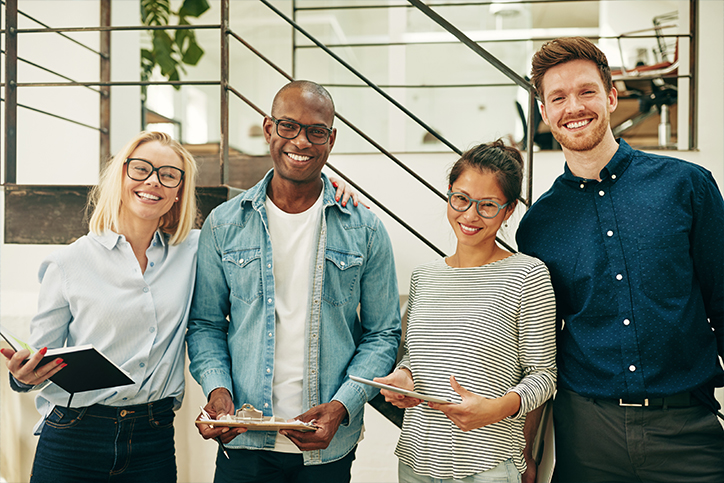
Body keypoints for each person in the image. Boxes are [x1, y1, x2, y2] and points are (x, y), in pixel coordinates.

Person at [516, 37, 724, 482]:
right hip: (587, 433)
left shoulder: (687, 186)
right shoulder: (538, 225)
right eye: (558, 97)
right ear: (545, 112)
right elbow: (538, 348)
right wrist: (527, 448)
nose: (574, 106)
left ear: (611, 96)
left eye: (586, 91)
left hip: (690, 429)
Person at [186, 79, 401, 483]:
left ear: (331, 139)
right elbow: (205, 325)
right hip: (244, 439)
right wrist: (218, 394)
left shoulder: (365, 230)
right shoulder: (225, 224)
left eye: (316, 131)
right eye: (288, 127)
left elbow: (383, 335)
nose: (301, 141)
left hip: (327, 445)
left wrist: (343, 406)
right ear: (269, 129)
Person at [0, 131, 199, 483]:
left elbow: (260, 217)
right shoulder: (68, 262)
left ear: (178, 191)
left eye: (168, 174)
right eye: (141, 169)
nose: (153, 180)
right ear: (120, 177)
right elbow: (40, 354)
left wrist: (329, 186)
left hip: (152, 438)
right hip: (74, 435)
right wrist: (23, 377)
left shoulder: (194, 251)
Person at [376, 140, 557, 483]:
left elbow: (544, 375)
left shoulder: (527, 275)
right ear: (449, 194)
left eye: (488, 205)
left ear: (509, 209)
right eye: (461, 199)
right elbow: (416, 357)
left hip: (489, 466)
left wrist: (496, 409)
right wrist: (403, 376)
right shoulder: (424, 277)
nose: (470, 215)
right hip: (417, 462)